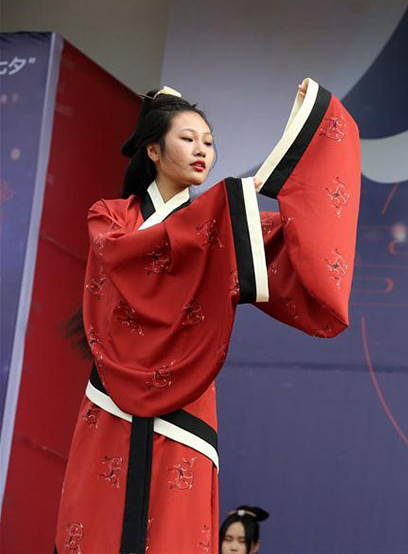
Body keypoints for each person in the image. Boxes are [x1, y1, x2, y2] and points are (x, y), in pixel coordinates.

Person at [54, 79, 360, 554]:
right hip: (111, 394)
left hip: (188, 397)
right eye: (188, 139)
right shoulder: (111, 218)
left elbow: (301, 245)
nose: (202, 151)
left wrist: (303, 137)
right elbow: (133, 257)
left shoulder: (226, 225)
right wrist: (234, 203)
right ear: (152, 151)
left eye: (210, 143)